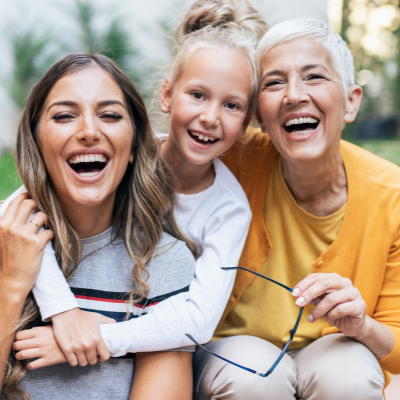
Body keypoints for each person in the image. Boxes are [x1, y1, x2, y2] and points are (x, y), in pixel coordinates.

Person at [2, 0, 266, 380]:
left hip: (157, 335)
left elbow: (196, 319)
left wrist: (94, 336)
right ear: (166, 96)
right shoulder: (120, 159)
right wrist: (64, 311)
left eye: (232, 105)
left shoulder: (226, 211)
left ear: (246, 123)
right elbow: (18, 215)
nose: (210, 117)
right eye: (197, 95)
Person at [193, 19, 400, 400]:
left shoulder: (392, 196)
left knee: (349, 373)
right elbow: (161, 155)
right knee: (254, 376)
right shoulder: (230, 161)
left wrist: (362, 325)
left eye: (314, 77)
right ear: (258, 114)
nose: (293, 95)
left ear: (352, 101)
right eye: (274, 82)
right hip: (233, 347)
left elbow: (398, 345)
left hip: (333, 346)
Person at [0, 53, 197, 400]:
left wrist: (108, 334)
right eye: (63, 116)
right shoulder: (6, 237)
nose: (89, 132)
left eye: (109, 115)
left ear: (135, 144)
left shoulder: (164, 260)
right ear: (36, 142)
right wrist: (13, 284)